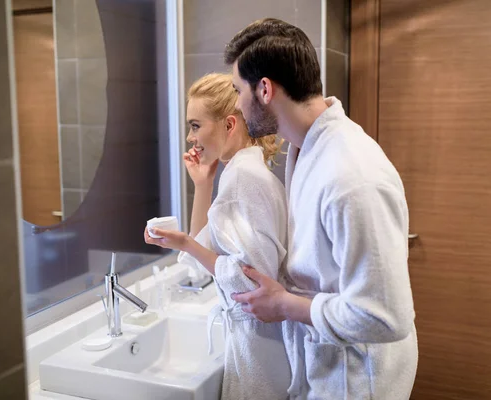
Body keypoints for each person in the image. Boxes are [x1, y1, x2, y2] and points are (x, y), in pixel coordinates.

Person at [225, 18, 418, 399]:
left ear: (265, 88)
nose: (235, 103)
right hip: (329, 364)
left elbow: (385, 316)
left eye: (237, 90)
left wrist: (284, 305)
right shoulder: (306, 148)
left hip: (358, 381)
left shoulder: (351, 175)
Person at [144, 73, 291, 400]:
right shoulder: (243, 175)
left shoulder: (242, 182)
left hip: (258, 346)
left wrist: (184, 243)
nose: (189, 137)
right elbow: (201, 259)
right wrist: (203, 184)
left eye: (195, 126)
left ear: (229, 125)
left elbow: (254, 282)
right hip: (262, 342)